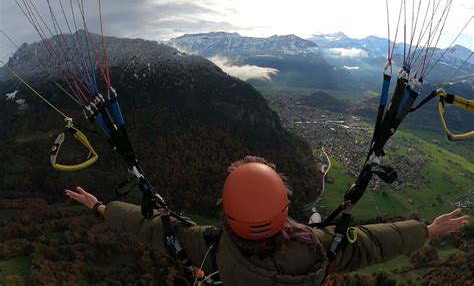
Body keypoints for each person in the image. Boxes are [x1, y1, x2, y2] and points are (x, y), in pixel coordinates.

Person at [65, 156, 469, 285]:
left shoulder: (210, 248)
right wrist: (428, 230)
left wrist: (103, 208)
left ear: (227, 213)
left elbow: (152, 228)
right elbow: (372, 243)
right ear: (283, 207)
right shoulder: (316, 248)